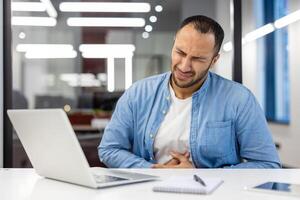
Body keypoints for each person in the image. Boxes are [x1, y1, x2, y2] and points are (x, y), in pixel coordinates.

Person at [98, 15, 281, 169]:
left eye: (198, 59)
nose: (184, 66)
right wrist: (154, 170)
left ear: (214, 60)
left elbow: (267, 164)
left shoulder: (239, 99)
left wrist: (199, 175)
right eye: (180, 52)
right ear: (173, 45)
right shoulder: (138, 93)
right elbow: (109, 149)